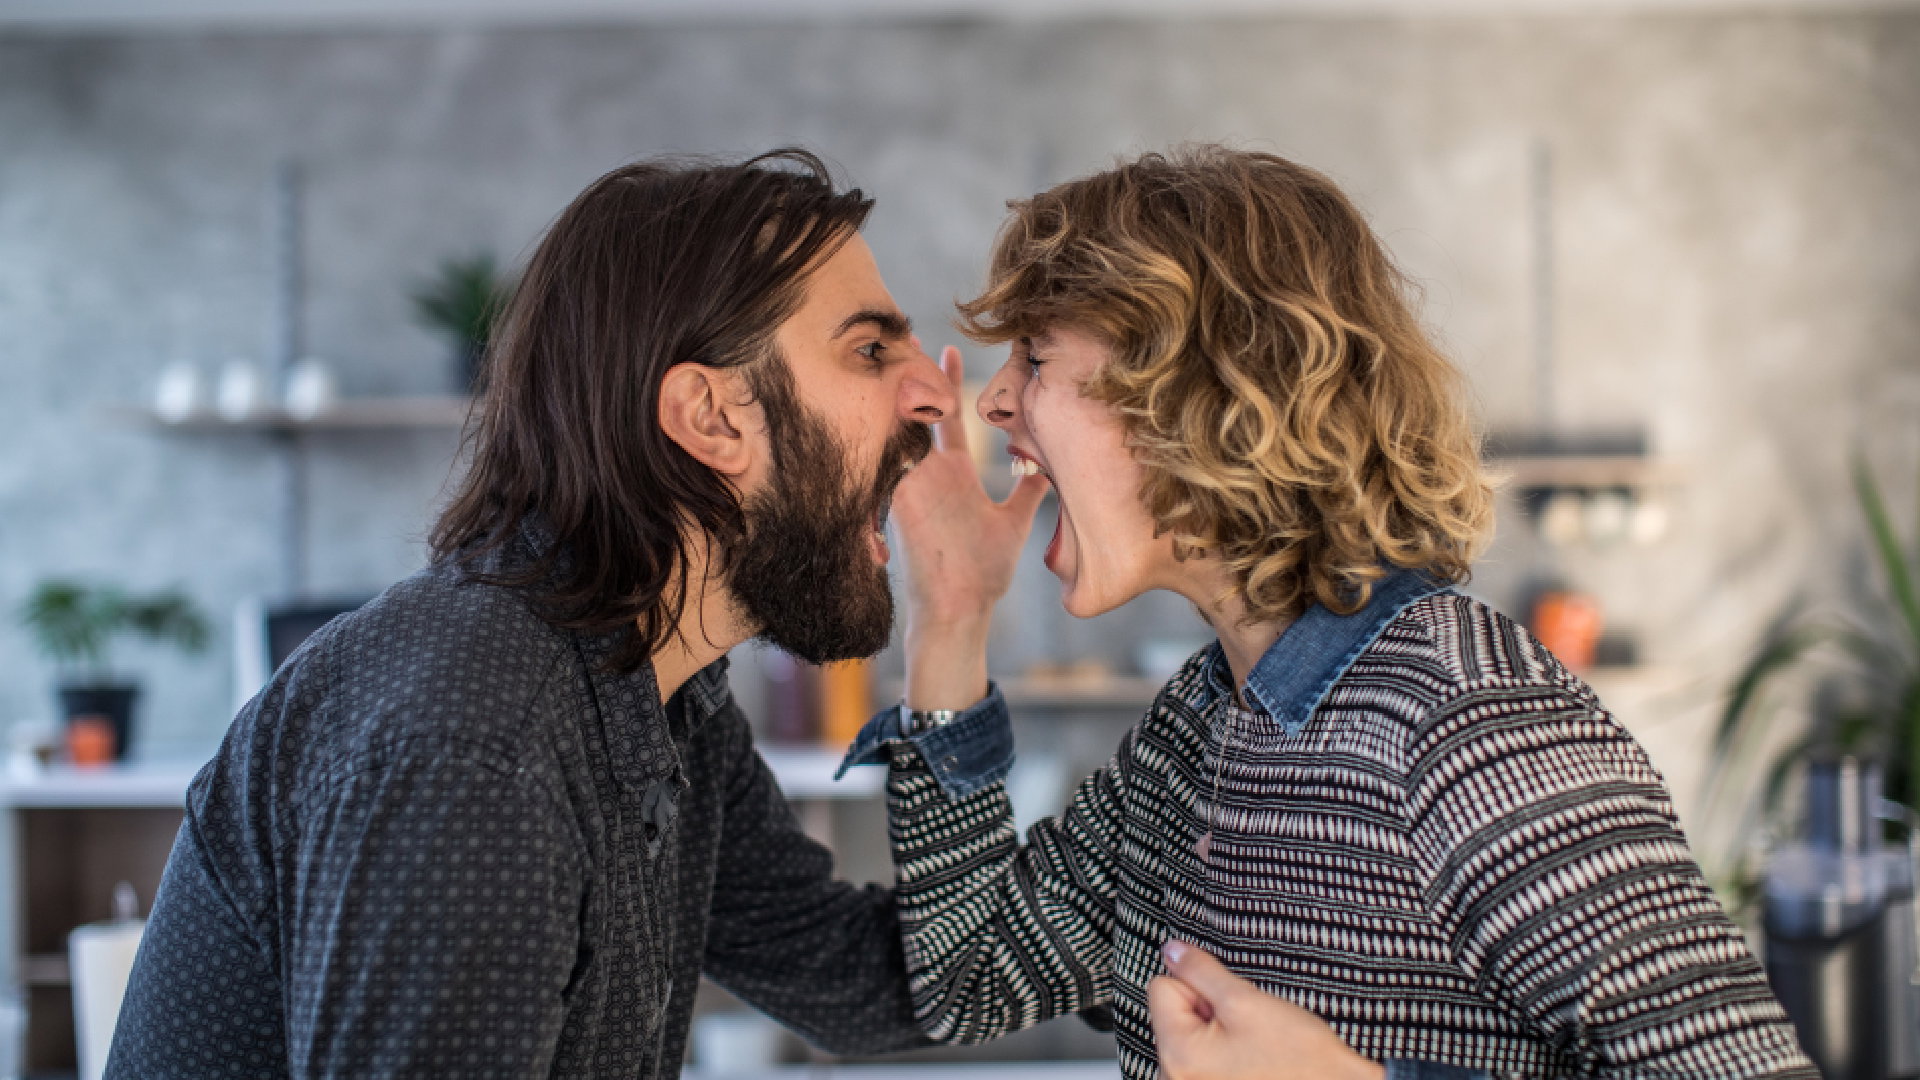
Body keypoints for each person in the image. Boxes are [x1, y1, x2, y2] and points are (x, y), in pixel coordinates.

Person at [846, 146, 1816, 1079]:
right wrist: (955, 611)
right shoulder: (1198, 724)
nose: (997, 403)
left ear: (1204, 387)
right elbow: (967, 975)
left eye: (1033, 354)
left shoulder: (1473, 729)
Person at [108, 149, 963, 1079]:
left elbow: (880, 981)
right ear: (711, 418)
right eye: (870, 350)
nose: (936, 392)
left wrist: (958, 615)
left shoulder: (663, 690)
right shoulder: (478, 743)